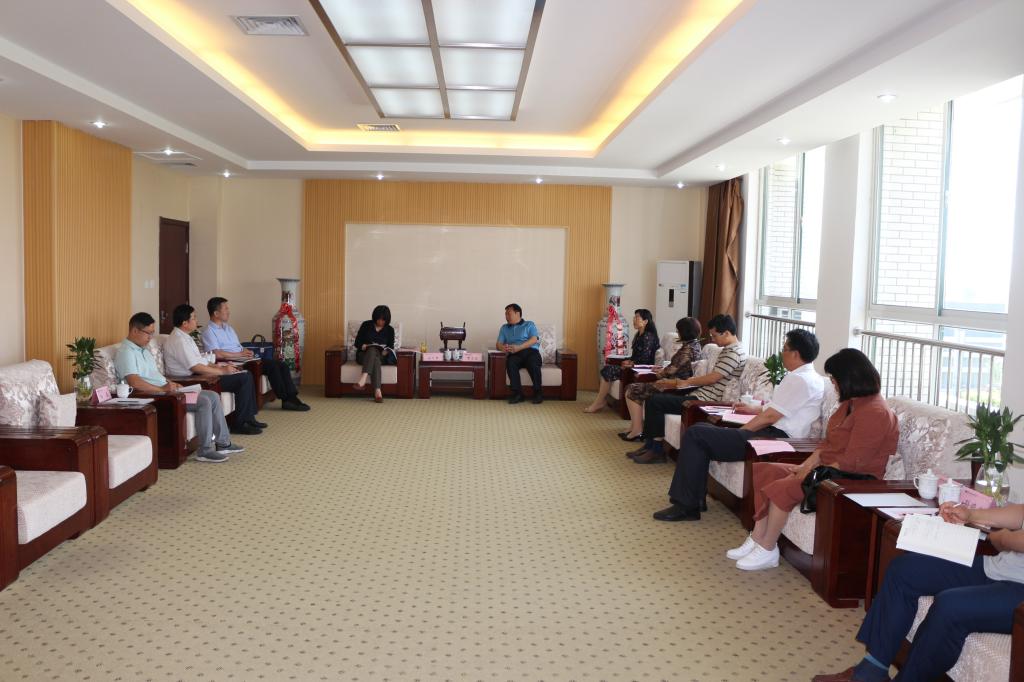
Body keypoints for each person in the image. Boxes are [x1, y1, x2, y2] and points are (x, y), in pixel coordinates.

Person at [727, 348, 898, 571]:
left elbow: (854, 461)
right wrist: (805, 465)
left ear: (850, 379)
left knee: (783, 486)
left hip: (850, 479)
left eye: (835, 379)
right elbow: (827, 443)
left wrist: (809, 473)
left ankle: (768, 549)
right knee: (767, 470)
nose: (833, 384)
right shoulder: (850, 404)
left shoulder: (875, 412)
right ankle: (758, 537)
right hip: (828, 469)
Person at [814, 501, 1024, 682]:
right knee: (904, 571)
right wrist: (971, 514)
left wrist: (1003, 539)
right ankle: (871, 671)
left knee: (950, 606)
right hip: (1000, 568)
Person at [652, 329, 825, 522]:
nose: (781, 353)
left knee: (696, 433)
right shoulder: (808, 377)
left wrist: (739, 433)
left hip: (776, 439)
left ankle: (686, 506)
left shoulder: (799, 379)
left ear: (795, 354)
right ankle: (695, 499)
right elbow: (777, 409)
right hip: (774, 433)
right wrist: (752, 409)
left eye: (784, 349)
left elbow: (770, 417)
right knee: (704, 429)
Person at [115, 312, 243, 463]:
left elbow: (155, 376)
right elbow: (134, 382)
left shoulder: (143, 350)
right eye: (148, 333)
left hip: (167, 391)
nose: (150, 338)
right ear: (135, 330)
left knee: (212, 396)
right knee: (204, 401)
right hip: (156, 397)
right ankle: (205, 450)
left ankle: (223, 443)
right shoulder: (126, 352)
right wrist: (162, 389)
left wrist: (170, 383)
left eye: (152, 333)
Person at [630, 313, 747, 464]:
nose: (712, 339)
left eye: (714, 335)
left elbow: (713, 378)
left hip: (706, 401)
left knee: (655, 401)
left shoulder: (733, 353)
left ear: (726, 333)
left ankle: (656, 450)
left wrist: (686, 382)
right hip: (700, 395)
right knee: (654, 399)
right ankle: (650, 446)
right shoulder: (728, 349)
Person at [163, 303, 266, 435]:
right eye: (194, 318)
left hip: (199, 374)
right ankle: (239, 424)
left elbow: (199, 360)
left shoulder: (185, 337)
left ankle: (249, 418)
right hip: (192, 379)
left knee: (246, 374)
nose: (197, 321)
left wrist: (217, 366)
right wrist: (222, 371)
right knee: (243, 378)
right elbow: (195, 366)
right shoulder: (178, 340)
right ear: (185, 323)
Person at [201, 297, 310, 412]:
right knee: (272, 366)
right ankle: (286, 399)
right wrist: (239, 354)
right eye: (226, 309)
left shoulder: (228, 328)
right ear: (216, 313)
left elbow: (238, 346)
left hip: (244, 359)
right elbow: (216, 353)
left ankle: (291, 397)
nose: (229, 311)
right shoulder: (209, 332)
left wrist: (246, 350)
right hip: (233, 363)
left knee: (282, 365)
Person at [619, 317, 703, 440]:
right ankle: (634, 427)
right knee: (631, 388)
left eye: (678, 330)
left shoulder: (688, 349)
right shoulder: (694, 345)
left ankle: (637, 430)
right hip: (675, 382)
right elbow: (677, 366)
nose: (677, 333)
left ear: (684, 331)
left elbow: (672, 370)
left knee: (632, 389)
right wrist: (662, 369)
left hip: (675, 386)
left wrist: (659, 373)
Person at [584, 309, 659, 413]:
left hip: (641, 370)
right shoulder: (639, 335)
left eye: (637, 317)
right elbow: (636, 356)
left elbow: (645, 359)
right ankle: (600, 401)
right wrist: (628, 361)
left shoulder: (648, 336)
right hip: (634, 366)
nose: (634, 319)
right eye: (634, 317)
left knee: (609, 370)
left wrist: (631, 363)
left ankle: (599, 402)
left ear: (645, 321)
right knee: (607, 369)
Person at [496, 303, 543, 404]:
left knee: (533, 363)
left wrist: (519, 347)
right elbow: (498, 344)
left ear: (517, 313)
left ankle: (538, 393)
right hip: (515, 354)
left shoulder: (529, 324)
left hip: (530, 352)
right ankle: (518, 394)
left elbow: (534, 339)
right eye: (505, 314)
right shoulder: (504, 328)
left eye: (508, 314)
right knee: (510, 362)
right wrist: (503, 348)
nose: (506, 316)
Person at [354, 304, 396, 403]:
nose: (380, 322)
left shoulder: (390, 330)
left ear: (387, 320)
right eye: (379, 319)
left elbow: (390, 346)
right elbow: (357, 342)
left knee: (375, 354)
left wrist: (386, 351)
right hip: (363, 355)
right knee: (372, 351)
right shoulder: (366, 325)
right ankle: (378, 391)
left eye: (383, 320)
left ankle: (363, 379)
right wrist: (363, 346)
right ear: (375, 317)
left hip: (382, 356)